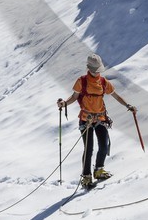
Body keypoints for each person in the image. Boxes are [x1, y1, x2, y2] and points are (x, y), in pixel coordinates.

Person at [58, 54, 136, 190]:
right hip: (85, 119)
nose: (97, 72)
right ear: (89, 68)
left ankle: (99, 170)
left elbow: (115, 95)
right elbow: (74, 97)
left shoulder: (103, 81)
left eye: (98, 70)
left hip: (100, 118)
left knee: (104, 146)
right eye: (95, 69)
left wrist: (128, 105)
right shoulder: (81, 81)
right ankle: (86, 177)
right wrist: (64, 103)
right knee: (89, 149)